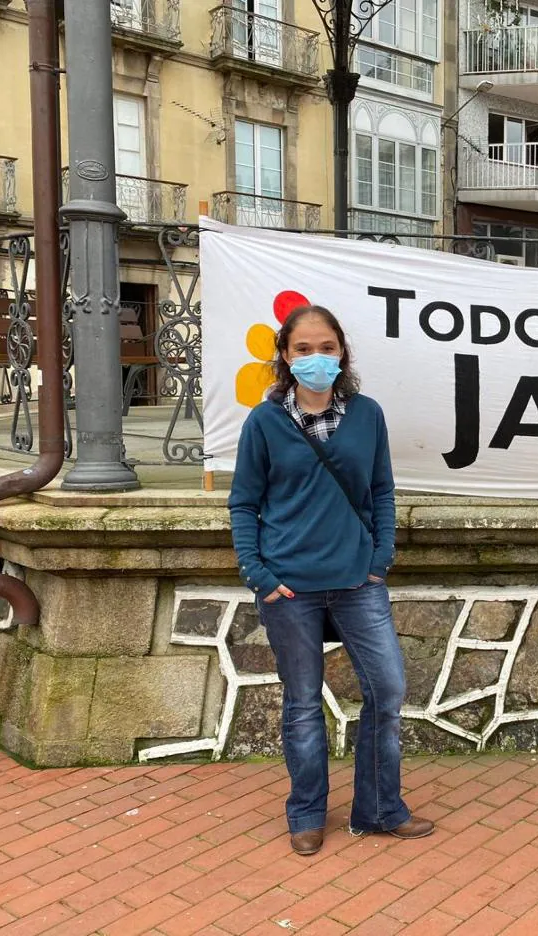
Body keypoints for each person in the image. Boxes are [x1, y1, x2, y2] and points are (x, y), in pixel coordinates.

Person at [229, 305, 433, 856]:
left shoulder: (366, 415)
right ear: (285, 356)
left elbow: (382, 490)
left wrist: (380, 558)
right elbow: (244, 503)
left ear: (342, 352)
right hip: (288, 587)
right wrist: (259, 575)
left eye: (326, 347)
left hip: (357, 582)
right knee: (301, 703)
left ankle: (379, 809)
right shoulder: (265, 422)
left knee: (386, 689)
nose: (315, 358)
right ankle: (306, 813)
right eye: (303, 349)